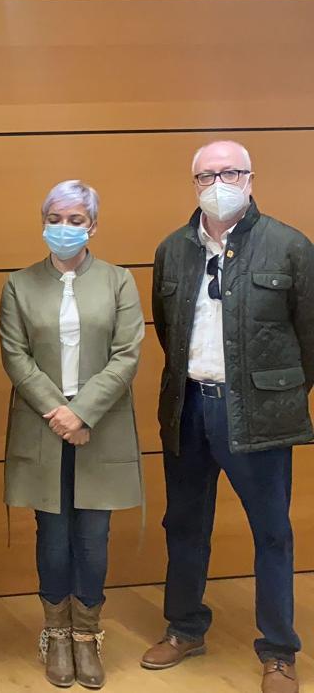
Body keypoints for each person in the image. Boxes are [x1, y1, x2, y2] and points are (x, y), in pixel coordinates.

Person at [144, 141, 313, 693]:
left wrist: (279, 391)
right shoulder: (173, 250)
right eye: (206, 175)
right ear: (193, 184)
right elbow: (167, 329)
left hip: (260, 412)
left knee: (272, 533)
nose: (219, 182)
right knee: (185, 525)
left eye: (230, 172)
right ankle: (185, 627)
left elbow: (309, 338)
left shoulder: (289, 246)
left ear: (250, 177)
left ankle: (279, 650)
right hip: (189, 406)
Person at [0, 180, 144, 689]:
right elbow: (15, 356)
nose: (64, 228)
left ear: (93, 226)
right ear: (44, 222)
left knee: (93, 538)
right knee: (53, 537)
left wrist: (82, 414)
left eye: (76, 219)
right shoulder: (18, 285)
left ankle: (88, 636)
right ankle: (56, 635)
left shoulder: (119, 281)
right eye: (55, 218)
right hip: (42, 427)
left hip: (100, 427)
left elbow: (127, 355)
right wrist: (59, 413)